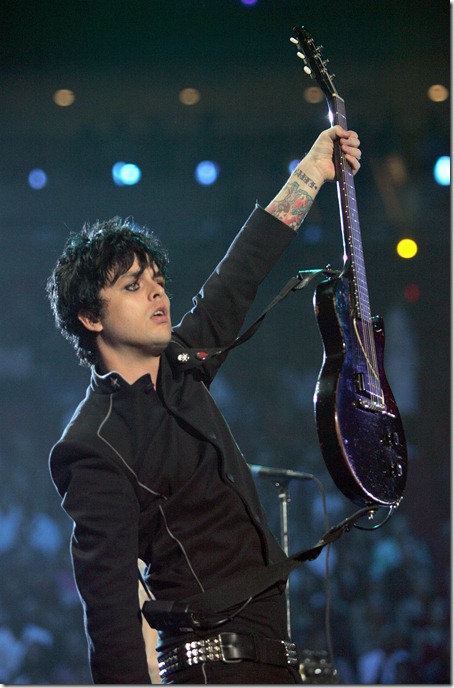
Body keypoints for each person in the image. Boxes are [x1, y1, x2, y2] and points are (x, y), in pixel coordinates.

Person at [47, 125, 361, 685]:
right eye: (133, 285)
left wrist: (313, 170)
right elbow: (112, 617)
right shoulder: (91, 446)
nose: (158, 292)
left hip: (273, 655)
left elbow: (241, 272)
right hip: (212, 667)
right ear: (91, 318)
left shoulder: (184, 368)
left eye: (159, 280)